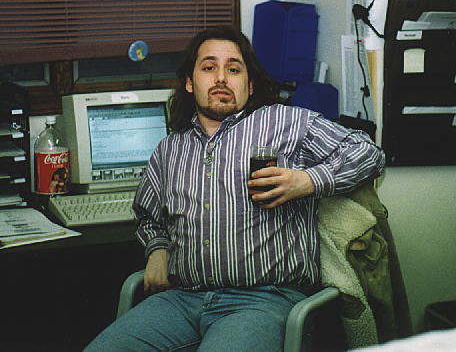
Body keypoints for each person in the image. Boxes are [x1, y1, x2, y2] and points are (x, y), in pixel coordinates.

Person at [85, 25, 385, 351]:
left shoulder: (285, 123)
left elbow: (367, 152)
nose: (221, 78)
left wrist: (308, 181)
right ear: (189, 82)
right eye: (208, 67)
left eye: (233, 69)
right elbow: (147, 215)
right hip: (181, 299)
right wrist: (157, 248)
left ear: (249, 84)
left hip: (263, 300)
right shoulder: (169, 149)